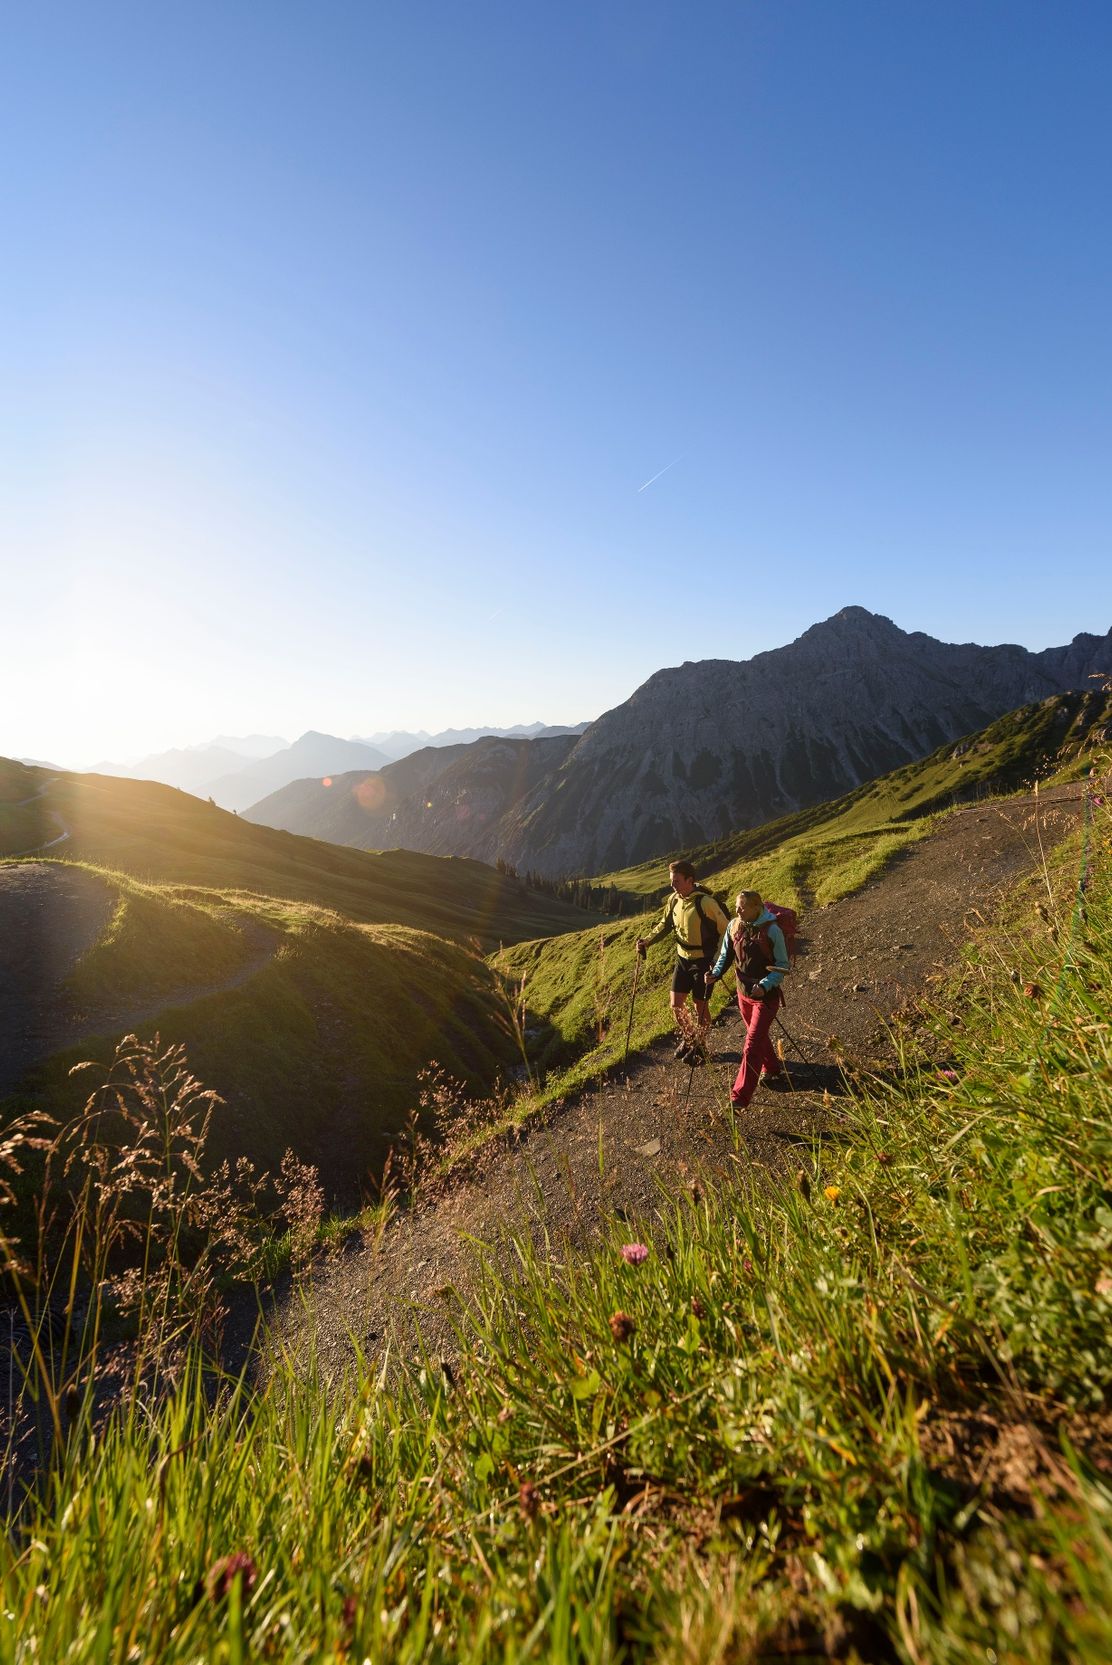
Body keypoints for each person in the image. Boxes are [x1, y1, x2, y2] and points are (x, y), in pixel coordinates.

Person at [636, 860, 730, 1062]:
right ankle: (690, 1039)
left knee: (700, 1007)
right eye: (671, 881)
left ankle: (701, 1047)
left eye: (676, 881)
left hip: (704, 961)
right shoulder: (673, 900)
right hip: (683, 959)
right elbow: (664, 924)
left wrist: (716, 961)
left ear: (690, 880)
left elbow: (727, 931)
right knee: (676, 1005)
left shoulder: (706, 903)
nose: (672, 886)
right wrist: (647, 941)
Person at [707, 890, 790, 1108]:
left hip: (765, 997)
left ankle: (739, 1098)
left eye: (742, 907)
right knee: (757, 1036)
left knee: (751, 1044)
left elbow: (782, 967)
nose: (737, 910)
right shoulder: (734, 925)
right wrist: (715, 973)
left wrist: (764, 985)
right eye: (736, 906)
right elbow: (726, 955)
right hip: (743, 993)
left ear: (757, 907)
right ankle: (771, 1069)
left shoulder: (772, 931)